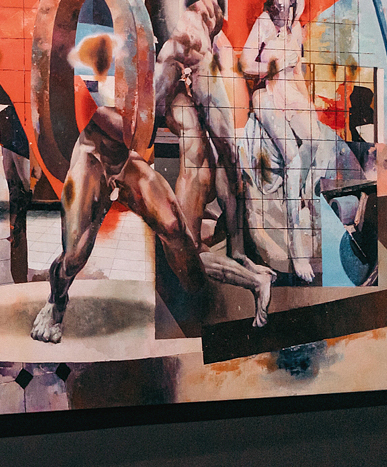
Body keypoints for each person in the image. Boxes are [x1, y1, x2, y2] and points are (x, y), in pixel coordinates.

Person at [31, 21, 270, 344]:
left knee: (173, 226)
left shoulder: (172, 83)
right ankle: (56, 301)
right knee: (75, 254)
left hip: (129, 163)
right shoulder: (110, 66)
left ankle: (206, 292)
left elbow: (204, 137)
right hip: (94, 157)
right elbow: (106, 120)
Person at [156, 0, 275, 321]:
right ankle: (248, 268)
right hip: (200, 168)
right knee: (227, 160)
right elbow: (161, 94)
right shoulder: (188, 43)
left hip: (201, 166)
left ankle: (244, 262)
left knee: (228, 159)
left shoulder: (196, 44)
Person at [241, 0, 318, 281]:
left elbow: (296, 73)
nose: (279, 1)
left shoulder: (295, 29)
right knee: (292, 158)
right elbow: (245, 63)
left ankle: (296, 192)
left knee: (316, 139)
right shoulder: (264, 22)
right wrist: (272, 65)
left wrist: (307, 105)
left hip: (289, 94)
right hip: (266, 95)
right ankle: (296, 249)